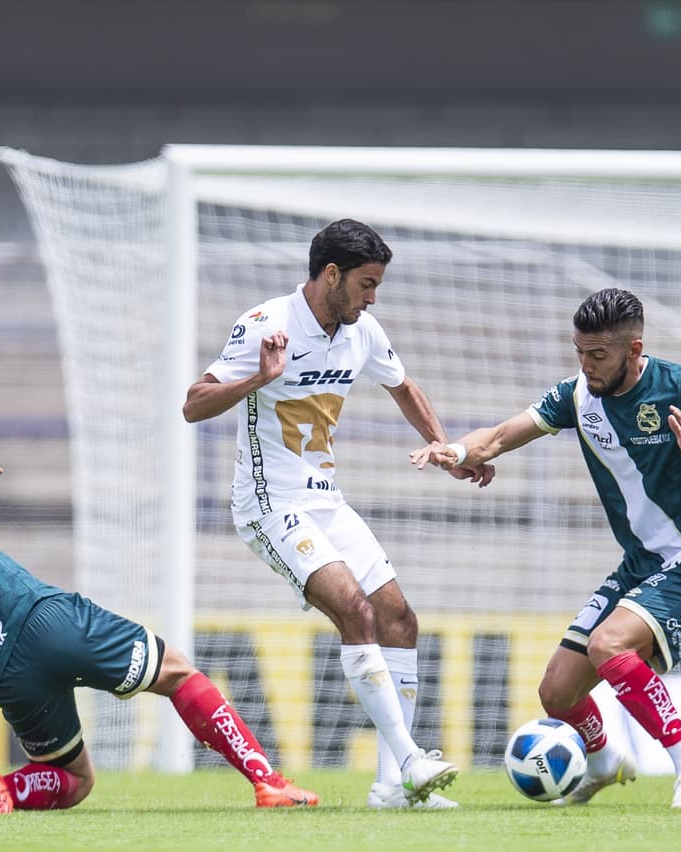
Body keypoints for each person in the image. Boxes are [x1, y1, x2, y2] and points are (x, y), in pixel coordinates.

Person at [411, 287, 681, 808]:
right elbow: (497, 437)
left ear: (633, 350)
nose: (585, 365)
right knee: (558, 691)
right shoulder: (578, 395)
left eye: (598, 355)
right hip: (644, 565)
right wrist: (453, 450)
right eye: (579, 352)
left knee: (609, 645)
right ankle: (605, 763)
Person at [184, 218, 486, 809]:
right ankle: (409, 760)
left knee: (399, 617)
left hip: (326, 500)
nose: (372, 297)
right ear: (331, 275)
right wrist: (259, 379)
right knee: (354, 607)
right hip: (269, 506)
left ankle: (390, 789)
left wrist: (444, 446)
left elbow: (403, 387)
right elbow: (193, 404)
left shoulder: (362, 331)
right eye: (366, 284)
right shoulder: (264, 325)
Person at [0, 448, 318, 813]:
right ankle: (267, 781)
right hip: (41, 621)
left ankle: (5, 787)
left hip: (5, 684)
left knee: (76, 780)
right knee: (176, 672)